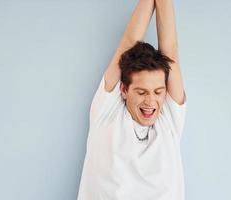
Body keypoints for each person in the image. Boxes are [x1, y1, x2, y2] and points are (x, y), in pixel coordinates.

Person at [77, 0, 187, 199]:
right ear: (124, 89)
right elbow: (129, 42)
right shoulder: (106, 113)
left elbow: (170, 51)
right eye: (142, 92)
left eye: (158, 92)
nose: (151, 101)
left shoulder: (169, 120)